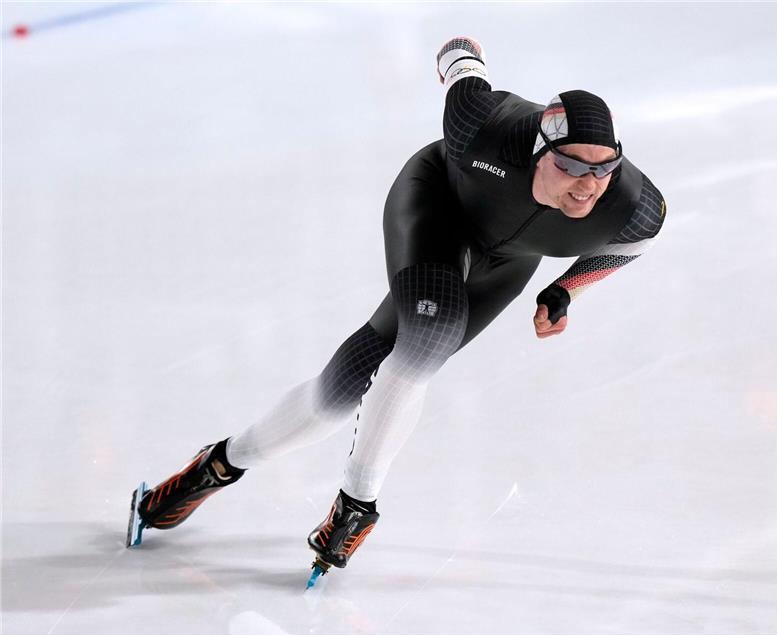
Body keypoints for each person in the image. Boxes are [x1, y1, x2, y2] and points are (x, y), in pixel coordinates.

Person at [127, 37, 666, 575]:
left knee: (335, 395)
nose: (588, 186)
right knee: (429, 337)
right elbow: (459, 58)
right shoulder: (484, 124)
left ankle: (216, 465)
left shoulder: (631, 203)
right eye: (572, 166)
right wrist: (462, 52)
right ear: (538, 152)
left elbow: (633, 244)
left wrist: (565, 288)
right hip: (437, 208)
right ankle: (358, 505)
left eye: (603, 169)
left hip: (508, 262)